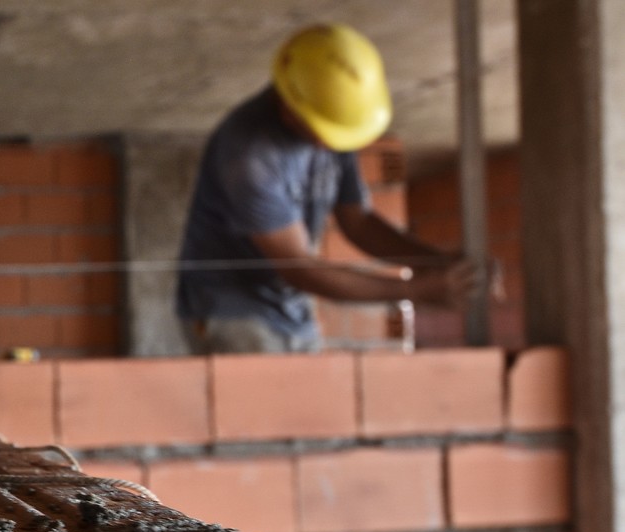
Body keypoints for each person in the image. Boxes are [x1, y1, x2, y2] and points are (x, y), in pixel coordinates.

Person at [175, 23, 482, 354]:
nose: (327, 144)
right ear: (289, 104)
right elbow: (301, 269)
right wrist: (417, 290)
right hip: (232, 311)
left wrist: (437, 265)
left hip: (290, 307)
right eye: (321, 130)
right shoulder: (250, 154)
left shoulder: (335, 120)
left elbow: (358, 222)